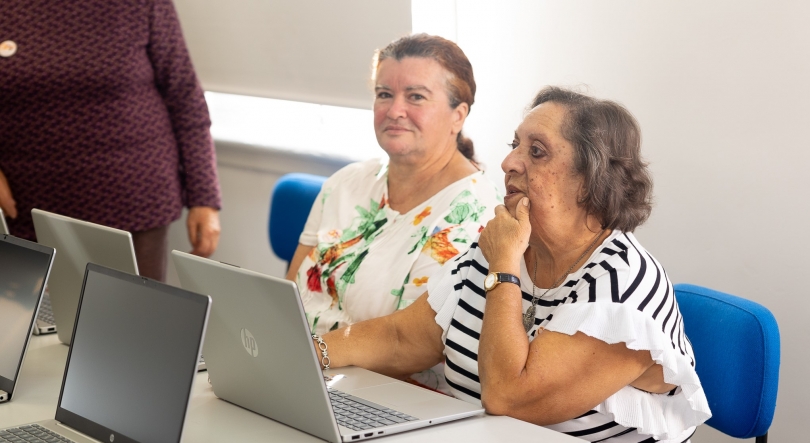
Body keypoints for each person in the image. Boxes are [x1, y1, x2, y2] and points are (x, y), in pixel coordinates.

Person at [309, 87, 712, 442]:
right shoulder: (505, 247)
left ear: (590, 180)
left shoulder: (625, 287)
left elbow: (508, 396)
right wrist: (309, 353)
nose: (509, 163)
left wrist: (504, 265)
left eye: (536, 152)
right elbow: (400, 338)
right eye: (514, 145)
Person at [285, 34, 501, 392]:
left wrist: (298, 357)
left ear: (457, 116)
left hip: (394, 398)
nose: (394, 110)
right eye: (384, 94)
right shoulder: (344, 183)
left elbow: (411, 346)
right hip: (304, 375)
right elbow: (289, 296)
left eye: (415, 96)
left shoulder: (474, 211)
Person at [0, 0, 221, 282]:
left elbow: (185, 95)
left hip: (135, 203)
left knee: (132, 320)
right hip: (24, 208)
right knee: (31, 321)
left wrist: (205, 198)